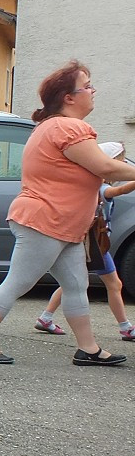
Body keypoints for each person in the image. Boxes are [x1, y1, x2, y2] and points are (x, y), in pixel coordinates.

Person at [0, 61, 135, 366]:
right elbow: (106, 168)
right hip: (45, 222)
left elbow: (105, 175)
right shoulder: (67, 127)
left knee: (75, 285)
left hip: (62, 226)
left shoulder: (52, 127)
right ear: (68, 97)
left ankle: (88, 349)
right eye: (88, 85)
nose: (93, 91)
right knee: (19, 282)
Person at [34, 142, 135, 341]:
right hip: (94, 245)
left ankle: (46, 318)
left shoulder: (92, 184)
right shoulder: (100, 186)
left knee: (73, 283)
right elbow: (118, 192)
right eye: (121, 161)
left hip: (89, 242)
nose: (123, 164)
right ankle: (125, 328)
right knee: (114, 284)